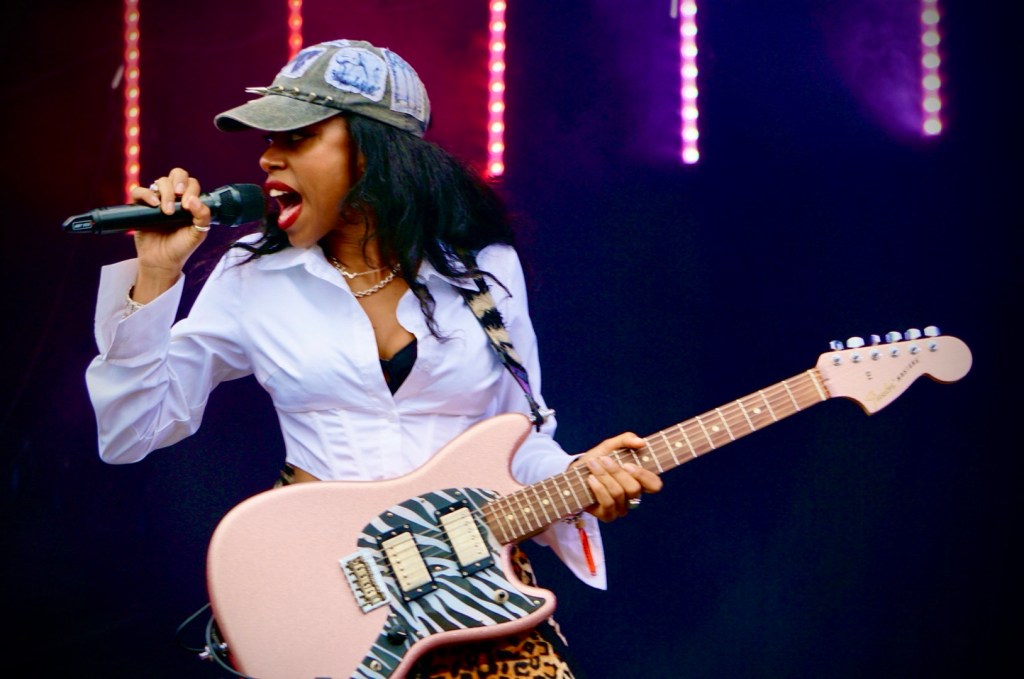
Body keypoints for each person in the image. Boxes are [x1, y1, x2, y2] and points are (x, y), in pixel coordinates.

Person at [85, 38, 662, 678]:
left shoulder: (483, 270)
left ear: (375, 152)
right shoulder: (253, 275)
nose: (268, 157)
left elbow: (519, 439)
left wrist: (580, 478)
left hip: (472, 587)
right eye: (271, 140)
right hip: (326, 594)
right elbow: (130, 432)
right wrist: (156, 276)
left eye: (298, 137)